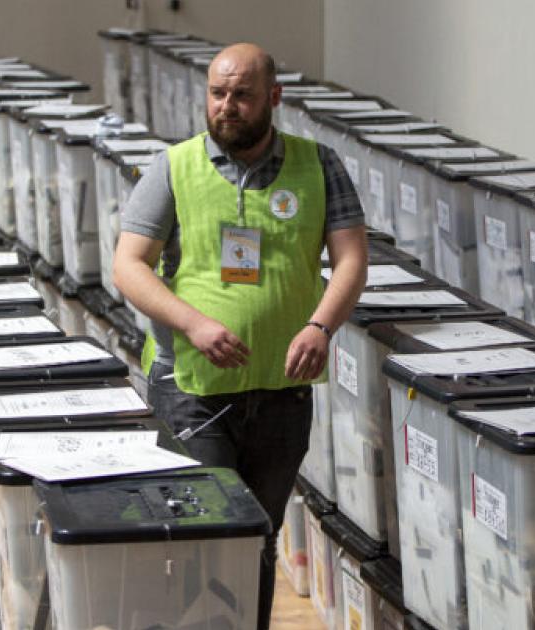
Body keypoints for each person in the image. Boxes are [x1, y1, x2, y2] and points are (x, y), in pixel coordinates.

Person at [113, 42, 368, 628]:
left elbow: (351, 260)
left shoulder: (319, 164)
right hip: (192, 390)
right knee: (202, 536)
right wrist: (194, 323)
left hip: (281, 391)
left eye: (242, 95)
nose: (226, 106)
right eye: (217, 93)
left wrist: (320, 326)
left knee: (257, 535)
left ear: (274, 98)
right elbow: (128, 265)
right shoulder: (173, 166)